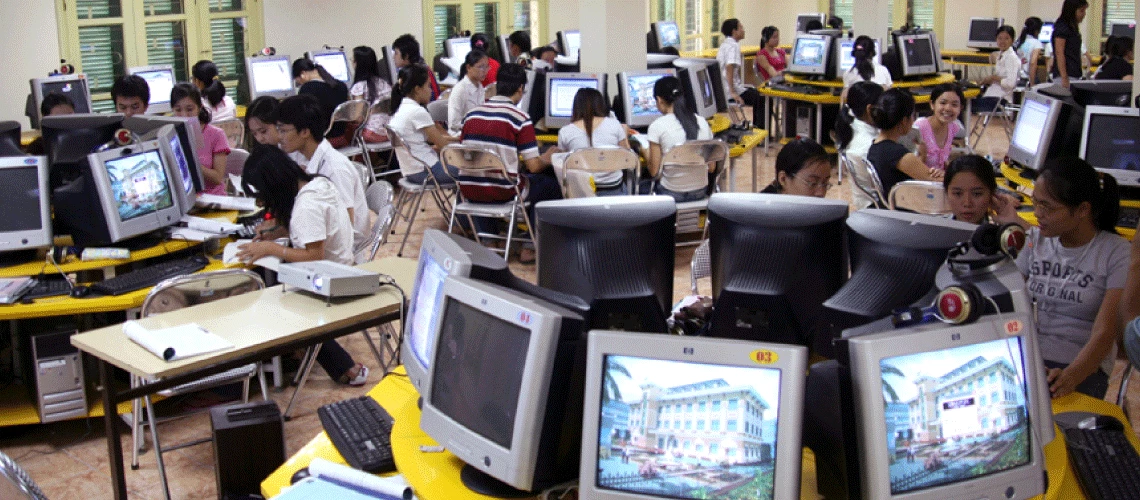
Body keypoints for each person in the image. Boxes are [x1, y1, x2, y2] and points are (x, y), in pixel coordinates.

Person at [235, 146, 369, 386]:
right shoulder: (316, 183)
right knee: (270, 280)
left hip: (329, 277)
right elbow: (313, 232)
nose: (261, 201)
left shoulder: (306, 207)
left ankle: (342, 366)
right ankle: (287, 350)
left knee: (274, 295)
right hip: (339, 265)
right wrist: (276, 232)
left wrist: (270, 248)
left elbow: (313, 255)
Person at [1015, 157, 1128, 399]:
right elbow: (1009, 298)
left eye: (1048, 207)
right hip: (1030, 358)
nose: (1037, 214)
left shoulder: (1116, 252)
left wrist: (1071, 376)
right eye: (1036, 203)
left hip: (1083, 367)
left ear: (1082, 210)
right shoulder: (1035, 240)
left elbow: (1105, 332)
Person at [459, 63, 560, 263]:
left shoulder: (471, 115)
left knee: (483, 177)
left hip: (469, 191)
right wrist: (548, 157)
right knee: (549, 185)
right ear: (521, 89)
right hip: (504, 192)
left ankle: (489, 241)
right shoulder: (520, 118)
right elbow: (533, 166)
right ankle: (530, 247)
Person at [277, 94, 369, 258]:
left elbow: (346, 222)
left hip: (342, 254)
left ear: (305, 132)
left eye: (283, 130)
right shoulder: (305, 156)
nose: (280, 137)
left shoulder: (334, 168)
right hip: (325, 241)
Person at [389, 64, 460, 187]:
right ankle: (461, 205)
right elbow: (442, 145)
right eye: (428, 86)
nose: (431, 90)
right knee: (473, 171)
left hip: (411, 171)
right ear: (417, 89)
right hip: (428, 171)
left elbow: (430, 138)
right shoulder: (417, 112)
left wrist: (457, 139)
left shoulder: (402, 109)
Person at [646, 76, 714, 202]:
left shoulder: (657, 126)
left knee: (644, 186)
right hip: (700, 191)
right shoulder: (702, 122)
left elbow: (654, 171)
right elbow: (712, 167)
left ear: (659, 100)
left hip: (671, 193)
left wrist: (644, 151)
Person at [556, 87, 632, 195]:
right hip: (613, 190)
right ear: (601, 105)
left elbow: (562, 164)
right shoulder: (615, 125)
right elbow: (628, 159)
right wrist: (624, 134)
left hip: (581, 192)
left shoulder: (565, 132)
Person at [866, 88, 942, 195]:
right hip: (904, 207)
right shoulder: (898, 154)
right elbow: (937, 182)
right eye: (912, 115)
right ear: (904, 121)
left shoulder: (875, 146)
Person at [834, 81, 885, 208]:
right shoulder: (867, 143)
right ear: (869, 109)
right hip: (877, 204)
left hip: (864, 201)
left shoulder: (851, 127)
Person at [171, 83, 228, 195]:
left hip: (212, 198)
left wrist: (191, 161)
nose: (184, 115)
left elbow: (217, 178)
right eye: (178, 110)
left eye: (190, 109)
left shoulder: (216, 134)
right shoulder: (170, 135)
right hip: (184, 199)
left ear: (199, 108)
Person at [942, 155, 1021, 225]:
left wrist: (1015, 222)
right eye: (958, 194)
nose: (967, 203)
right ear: (946, 193)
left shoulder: (1004, 237)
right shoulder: (935, 231)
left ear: (991, 194)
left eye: (976, 194)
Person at [292, 58, 351, 147]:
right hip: (342, 138)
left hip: (323, 141)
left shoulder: (307, 89)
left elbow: (303, 117)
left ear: (303, 74)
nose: (299, 85)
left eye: (298, 82)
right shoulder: (341, 85)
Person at [717, 19, 765, 129]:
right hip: (731, 90)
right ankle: (761, 130)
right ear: (734, 31)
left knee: (758, 94)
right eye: (741, 28)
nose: (744, 30)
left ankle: (758, 127)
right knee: (762, 97)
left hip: (726, 89)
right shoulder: (733, 46)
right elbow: (730, 67)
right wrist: (733, 92)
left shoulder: (725, 45)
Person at [913, 84, 964, 171]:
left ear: (961, 108)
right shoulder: (919, 128)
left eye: (954, 105)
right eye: (943, 103)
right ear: (932, 104)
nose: (948, 108)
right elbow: (910, 168)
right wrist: (923, 156)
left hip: (938, 180)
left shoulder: (953, 127)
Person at [349, 45, 394, 143]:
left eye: (353, 60)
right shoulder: (384, 83)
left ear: (357, 64)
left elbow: (359, 118)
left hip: (371, 134)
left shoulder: (359, 86)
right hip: (389, 133)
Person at [760, 138, 831, 197]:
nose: (821, 193)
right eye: (812, 183)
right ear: (783, 179)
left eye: (825, 183)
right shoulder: (759, 211)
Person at [977, 26, 1020, 112]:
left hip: (1001, 100)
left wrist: (993, 78)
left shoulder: (1011, 58)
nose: (1002, 41)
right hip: (993, 95)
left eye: (1006, 38)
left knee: (964, 104)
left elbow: (1010, 83)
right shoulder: (1002, 54)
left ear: (1012, 40)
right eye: (1000, 38)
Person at [447, 49, 489, 135]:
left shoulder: (480, 86)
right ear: (469, 67)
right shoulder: (460, 89)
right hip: (459, 135)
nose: (485, 71)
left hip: (476, 133)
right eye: (481, 67)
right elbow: (454, 124)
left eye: (487, 67)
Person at [1051, 0, 1088, 89]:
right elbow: (1059, 52)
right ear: (1072, 11)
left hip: (1073, 74)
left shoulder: (1072, 28)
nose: (1084, 14)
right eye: (1081, 11)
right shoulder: (1063, 27)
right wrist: (1064, 76)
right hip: (1065, 76)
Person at [393, 34, 441, 100]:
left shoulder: (418, 74)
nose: (393, 57)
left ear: (406, 56)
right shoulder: (420, 68)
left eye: (396, 53)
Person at [1016, 17, 1045, 86]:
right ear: (1037, 31)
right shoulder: (1036, 43)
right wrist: (1032, 83)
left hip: (1017, 78)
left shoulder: (1018, 41)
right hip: (1027, 78)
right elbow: (1032, 62)